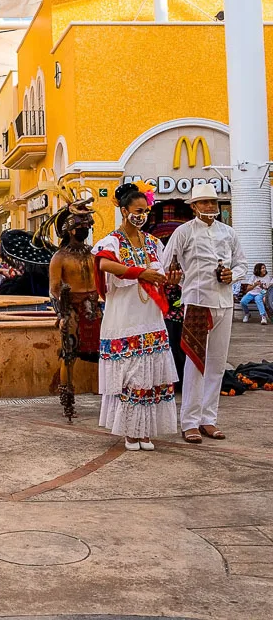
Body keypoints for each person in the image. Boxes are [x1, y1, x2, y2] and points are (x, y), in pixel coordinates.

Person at [92, 183, 180, 451]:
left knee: (150, 376)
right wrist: (140, 273)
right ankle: (130, 431)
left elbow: (163, 275)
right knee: (130, 375)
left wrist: (171, 279)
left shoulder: (154, 243)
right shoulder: (112, 241)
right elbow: (104, 264)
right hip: (124, 320)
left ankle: (145, 432)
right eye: (137, 210)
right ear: (123, 210)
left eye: (146, 211)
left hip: (150, 318)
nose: (142, 215)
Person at [162, 183, 247, 444]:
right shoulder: (184, 232)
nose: (211, 207)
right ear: (194, 207)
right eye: (205, 202)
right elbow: (168, 266)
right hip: (197, 303)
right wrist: (177, 279)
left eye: (214, 202)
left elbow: (242, 264)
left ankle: (208, 419)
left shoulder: (228, 233)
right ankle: (189, 422)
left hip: (224, 302)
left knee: (217, 363)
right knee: (195, 362)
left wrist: (233, 275)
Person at [46, 195, 103, 420]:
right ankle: (67, 398)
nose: (86, 229)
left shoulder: (94, 253)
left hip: (94, 306)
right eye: (82, 226)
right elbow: (54, 289)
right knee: (69, 354)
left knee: (104, 352)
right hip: (71, 308)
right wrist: (61, 314)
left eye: (88, 225)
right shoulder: (59, 257)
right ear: (71, 230)